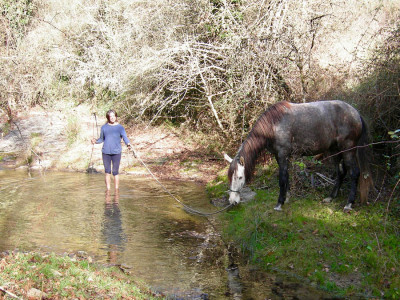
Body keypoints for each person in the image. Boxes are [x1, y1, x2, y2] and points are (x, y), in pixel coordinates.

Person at [91, 109, 131, 191]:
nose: (112, 118)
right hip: (106, 152)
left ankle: (116, 190)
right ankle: (108, 190)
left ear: (116, 116)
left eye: (113, 116)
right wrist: (95, 141)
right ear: (108, 117)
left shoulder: (120, 127)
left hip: (116, 152)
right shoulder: (104, 127)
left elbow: (125, 138)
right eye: (110, 116)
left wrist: (128, 144)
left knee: (115, 172)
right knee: (107, 171)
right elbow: (101, 139)